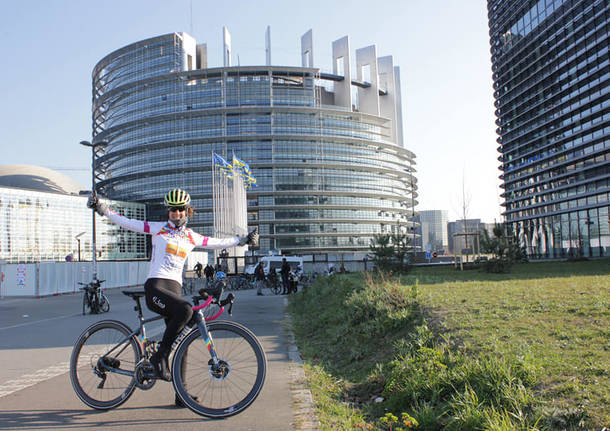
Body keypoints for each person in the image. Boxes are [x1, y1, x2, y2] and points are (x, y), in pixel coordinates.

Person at [87, 188, 258, 406]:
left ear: (187, 211)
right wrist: (102, 209)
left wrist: (242, 240)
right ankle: (159, 358)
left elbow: (215, 242)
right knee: (186, 310)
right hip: (156, 287)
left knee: (183, 342)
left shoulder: (190, 236)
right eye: (172, 210)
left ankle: (181, 395)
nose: (176, 214)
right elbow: (128, 222)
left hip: (174, 290)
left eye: (180, 210)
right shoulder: (158, 229)